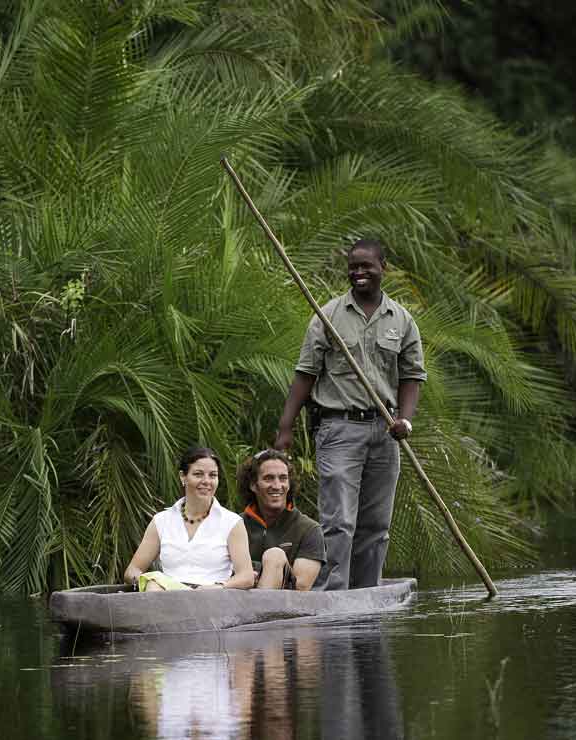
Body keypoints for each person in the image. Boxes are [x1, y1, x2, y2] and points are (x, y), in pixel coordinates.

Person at [274, 238, 426, 590]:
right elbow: (305, 373)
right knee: (339, 521)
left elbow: (412, 377)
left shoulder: (401, 320)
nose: (358, 273)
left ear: (382, 268)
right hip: (338, 429)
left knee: (376, 525)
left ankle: (366, 595)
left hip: (386, 432)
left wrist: (405, 420)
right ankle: (333, 595)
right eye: (353, 266)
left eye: (366, 266)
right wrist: (286, 427)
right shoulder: (327, 315)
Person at [124, 446, 254, 591]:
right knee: (154, 587)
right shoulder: (161, 521)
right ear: (183, 476)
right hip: (166, 598)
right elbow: (132, 570)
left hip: (213, 601)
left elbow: (247, 576)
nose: (206, 481)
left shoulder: (231, 522)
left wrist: (218, 586)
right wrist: (146, 581)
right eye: (198, 474)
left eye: (212, 475)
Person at [236, 449, 325, 590]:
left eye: (283, 478)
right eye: (268, 478)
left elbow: (301, 587)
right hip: (234, 602)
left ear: (289, 484)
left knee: (274, 556)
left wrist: (256, 574)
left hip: (287, 608)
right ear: (253, 485)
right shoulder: (234, 525)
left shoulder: (308, 529)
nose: (277, 486)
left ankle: (260, 611)